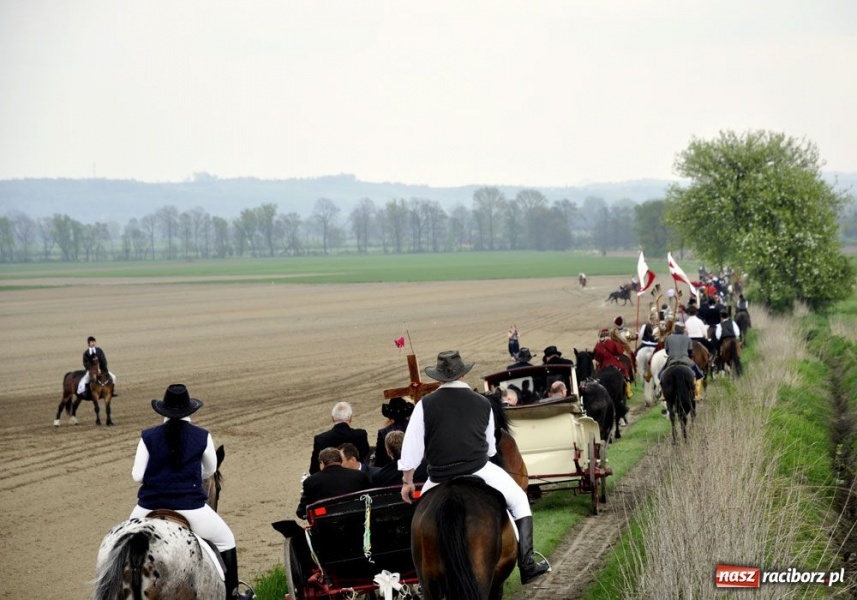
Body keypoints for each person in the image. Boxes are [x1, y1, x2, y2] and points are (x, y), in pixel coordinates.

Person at [399, 350, 550, 585]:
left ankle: (422, 574)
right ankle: (528, 564)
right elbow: (490, 448)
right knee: (520, 500)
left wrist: (408, 481)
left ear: (439, 377)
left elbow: (412, 449)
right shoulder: (482, 403)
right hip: (479, 470)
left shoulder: (424, 405)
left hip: (438, 476)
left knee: (419, 520)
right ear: (462, 374)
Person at [130, 384, 254, 600]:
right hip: (190, 508)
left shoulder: (147, 436)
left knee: (124, 544)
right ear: (190, 410)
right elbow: (210, 471)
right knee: (226, 540)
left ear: (163, 410)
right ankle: (233, 595)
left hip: (148, 506)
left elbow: (138, 476)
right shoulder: (202, 436)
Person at [296, 447, 372, 520]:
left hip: (327, 526)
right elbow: (370, 499)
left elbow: (302, 512)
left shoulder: (311, 481)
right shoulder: (359, 475)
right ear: (341, 461)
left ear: (322, 463)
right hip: (357, 521)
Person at [308, 402, 370, 475]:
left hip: (331, 481)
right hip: (358, 477)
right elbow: (366, 459)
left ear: (332, 419)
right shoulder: (360, 434)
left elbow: (314, 469)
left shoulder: (321, 439)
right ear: (350, 418)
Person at [660, 323, 704, 396]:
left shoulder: (668, 338)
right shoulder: (688, 338)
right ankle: (697, 394)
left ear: (675, 329)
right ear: (682, 330)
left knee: (660, 375)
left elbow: (667, 351)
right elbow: (690, 352)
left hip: (671, 361)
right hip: (686, 360)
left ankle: (662, 394)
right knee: (699, 374)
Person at [373, 397, 413, 468]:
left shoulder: (383, 432)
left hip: (392, 467)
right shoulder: (414, 427)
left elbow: (379, 459)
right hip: (414, 464)